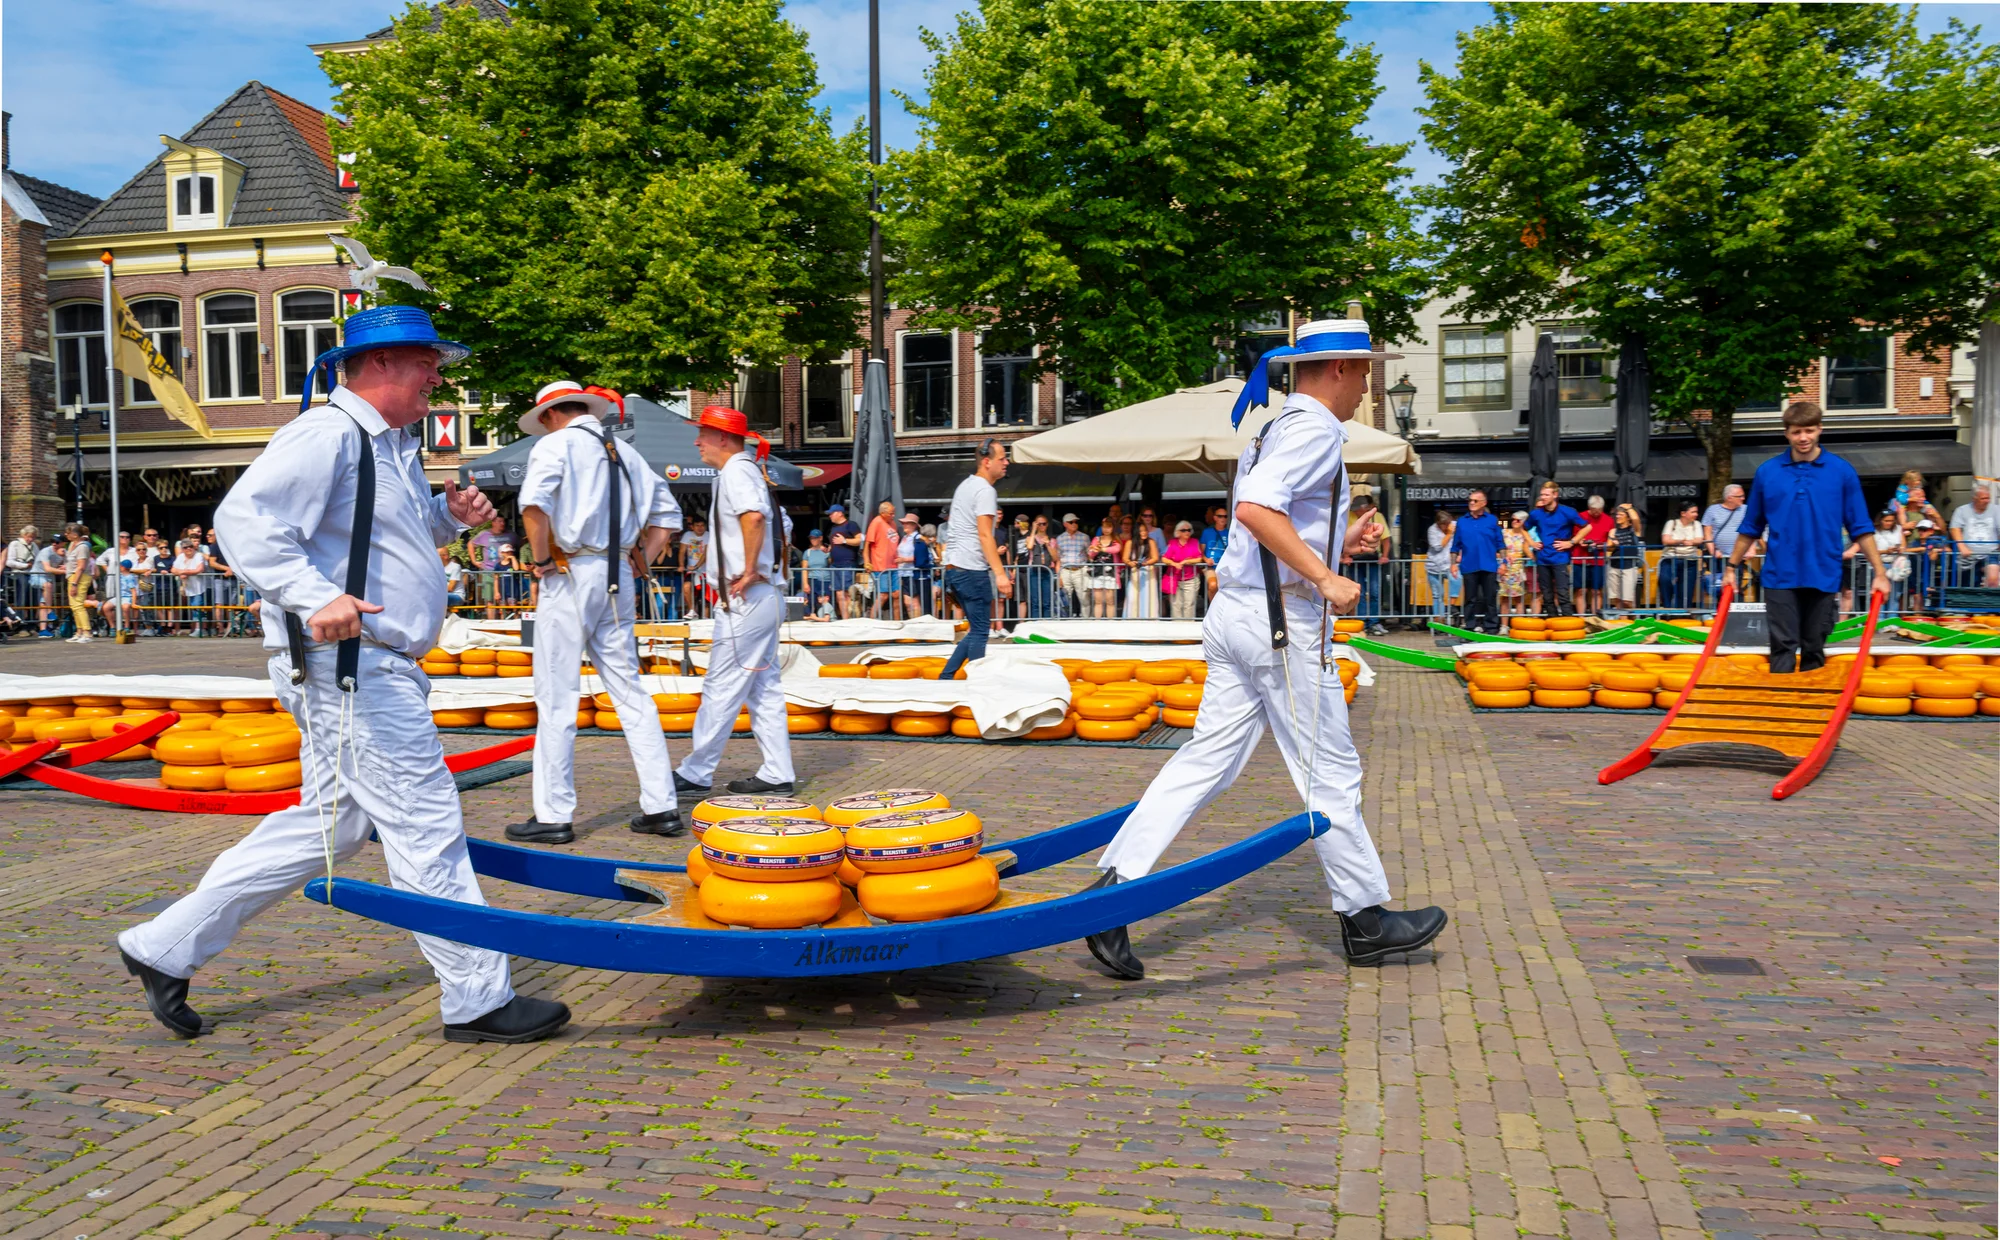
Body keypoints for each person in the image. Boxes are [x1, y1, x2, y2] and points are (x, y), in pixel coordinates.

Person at [117, 304, 567, 1044]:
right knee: (425, 822)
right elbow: (245, 520)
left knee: (330, 822)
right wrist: (313, 596)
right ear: (382, 363)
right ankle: (477, 996)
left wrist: (444, 518)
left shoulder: (387, 446)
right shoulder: (328, 434)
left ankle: (164, 945)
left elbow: (370, 537)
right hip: (354, 668)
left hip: (365, 666)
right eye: (427, 363)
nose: (437, 377)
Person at [1082, 315, 1446, 979]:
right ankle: (1365, 919)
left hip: (1240, 613)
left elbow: (1266, 518)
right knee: (1329, 770)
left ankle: (1112, 890)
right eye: (1365, 371)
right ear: (1339, 368)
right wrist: (1325, 576)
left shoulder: (1276, 424)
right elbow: (1255, 508)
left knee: (1209, 759)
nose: (1368, 385)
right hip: (1282, 624)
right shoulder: (1315, 429)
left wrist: (1337, 544)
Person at [510, 380, 683, 845]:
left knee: (557, 693)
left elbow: (533, 506)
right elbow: (667, 518)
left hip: (570, 571)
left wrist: (541, 560)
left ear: (550, 415)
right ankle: (661, 805)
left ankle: (553, 814)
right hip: (617, 572)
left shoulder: (555, 445)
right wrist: (640, 560)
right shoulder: (626, 453)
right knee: (629, 690)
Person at [675, 406, 796, 796]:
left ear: (723, 438)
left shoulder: (736, 472)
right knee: (763, 690)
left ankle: (696, 771)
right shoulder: (751, 471)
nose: (697, 442)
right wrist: (765, 565)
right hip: (761, 596)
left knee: (722, 685)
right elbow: (781, 524)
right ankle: (777, 772)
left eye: (703, 434)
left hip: (745, 599)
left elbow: (754, 518)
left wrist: (748, 569)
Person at [1728, 401, 1889, 673]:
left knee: (1814, 647)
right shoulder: (1767, 472)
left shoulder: (1841, 471)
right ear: (1786, 434)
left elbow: (1861, 526)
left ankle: (1811, 698)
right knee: (1782, 647)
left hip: (1823, 573)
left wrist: (1880, 573)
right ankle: (1782, 699)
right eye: (1796, 432)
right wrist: (1731, 567)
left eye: (1809, 431)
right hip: (1780, 575)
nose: (1803, 438)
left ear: (1819, 429)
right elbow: (1751, 526)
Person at [937, 440, 1012, 678]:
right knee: (980, 631)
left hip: (955, 567)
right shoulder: (985, 490)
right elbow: (985, 534)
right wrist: (1000, 574)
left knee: (976, 629)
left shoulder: (965, 485)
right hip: (971, 568)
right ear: (987, 462)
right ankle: (977, 684)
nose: (1007, 462)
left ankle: (946, 677)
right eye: (1002, 458)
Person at [1522, 484, 1584, 616]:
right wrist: (1532, 542)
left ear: (1555, 495)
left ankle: (1568, 622)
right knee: (1546, 594)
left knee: (1562, 593)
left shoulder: (1567, 511)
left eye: (1546, 495)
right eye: (1542, 495)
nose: (1543, 497)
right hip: (1542, 558)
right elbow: (1523, 529)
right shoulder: (1536, 513)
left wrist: (1571, 542)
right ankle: (1552, 619)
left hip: (1560, 557)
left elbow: (1587, 527)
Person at [1452, 490, 1503, 633]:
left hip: (1489, 565)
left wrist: (1504, 562)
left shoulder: (1491, 520)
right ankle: (1469, 626)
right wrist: (1453, 564)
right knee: (1470, 599)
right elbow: (1456, 545)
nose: (1472, 503)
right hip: (1469, 565)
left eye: (1475, 500)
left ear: (1484, 503)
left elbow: (1500, 542)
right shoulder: (1462, 521)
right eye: (1470, 500)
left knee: (1490, 598)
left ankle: (1491, 627)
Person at [1341, 495, 1388, 634]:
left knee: (1374, 592)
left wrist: (1384, 556)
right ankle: (1361, 622)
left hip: (1371, 559)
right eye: (1354, 509)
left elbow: (1386, 538)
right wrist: (1346, 555)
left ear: (1365, 509)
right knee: (1359, 592)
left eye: (1358, 509)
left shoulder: (1377, 517)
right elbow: (1343, 539)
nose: (1356, 512)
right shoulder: (1349, 516)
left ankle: (1373, 622)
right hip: (1355, 561)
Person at [1702, 484, 1749, 604]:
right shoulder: (1712, 510)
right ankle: (1722, 609)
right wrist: (1713, 550)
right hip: (1718, 557)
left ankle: (1735, 609)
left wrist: (1750, 548)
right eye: (1740, 496)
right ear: (1729, 498)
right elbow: (1707, 532)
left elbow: (1751, 531)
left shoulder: (1746, 510)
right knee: (1719, 585)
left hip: (1736, 556)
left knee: (1735, 584)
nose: (1743, 498)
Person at [1950, 485, 2000, 588]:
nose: (1986, 501)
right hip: (1968, 555)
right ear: (1974, 498)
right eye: (1983, 498)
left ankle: (1989, 598)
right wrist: (1962, 546)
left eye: (1988, 498)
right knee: (1967, 585)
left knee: (1993, 579)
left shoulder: (1996, 510)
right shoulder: (1962, 510)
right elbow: (1955, 528)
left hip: (1990, 552)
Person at [1570, 496, 1613, 615]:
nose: (1597, 513)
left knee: (1596, 591)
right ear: (1589, 507)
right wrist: (1581, 541)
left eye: (1599, 510)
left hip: (1598, 559)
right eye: (1594, 510)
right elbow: (1573, 536)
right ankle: (1581, 618)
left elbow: (1610, 540)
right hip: (1580, 558)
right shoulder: (1580, 517)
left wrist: (1601, 545)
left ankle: (1595, 617)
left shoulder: (1609, 520)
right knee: (1581, 590)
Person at [1658, 503, 1705, 610]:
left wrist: (1691, 542)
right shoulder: (1672, 523)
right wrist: (1680, 541)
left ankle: (1683, 611)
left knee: (1686, 588)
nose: (1696, 514)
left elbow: (1699, 539)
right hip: (1670, 558)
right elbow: (1665, 540)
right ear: (1683, 513)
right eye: (1693, 512)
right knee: (1665, 580)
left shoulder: (1696, 524)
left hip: (1689, 560)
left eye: (1696, 512)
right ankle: (1667, 609)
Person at [823, 502, 861, 618]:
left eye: (831, 513)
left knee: (847, 593)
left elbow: (859, 540)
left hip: (847, 563)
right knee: (839, 593)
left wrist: (844, 541)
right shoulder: (833, 528)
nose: (830, 516)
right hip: (835, 564)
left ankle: (850, 620)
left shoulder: (851, 524)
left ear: (839, 513)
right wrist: (829, 549)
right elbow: (835, 543)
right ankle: (845, 619)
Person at [864, 498, 901, 619]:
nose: (893, 516)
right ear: (882, 513)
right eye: (891, 513)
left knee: (896, 594)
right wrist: (867, 562)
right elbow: (867, 545)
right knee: (883, 595)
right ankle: (872, 619)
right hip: (880, 566)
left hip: (894, 565)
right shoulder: (876, 522)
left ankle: (897, 621)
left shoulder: (893, 523)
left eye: (894, 513)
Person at [1017, 513, 1057, 619]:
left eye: (1044, 524)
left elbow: (1055, 557)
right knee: (1035, 601)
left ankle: (1046, 624)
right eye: (1039, 524)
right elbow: (1029, 546)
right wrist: (1033, 529)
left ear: (1047, 524)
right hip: (1034, 571)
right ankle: (1036, 624)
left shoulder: (1052, 540)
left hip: (1047, 570)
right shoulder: (1030, 538)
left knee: (1047, 602)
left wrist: (1048, 544)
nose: (1042, 526)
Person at [1161, 520, 1204, 618]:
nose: (1187, 532)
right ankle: (1177, 626)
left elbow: (1199, 558)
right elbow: (1164, 558)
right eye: (1184, 530)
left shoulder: (1194, 542)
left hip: (1191, 579)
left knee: (1189, 604)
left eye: (1189, 530)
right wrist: (1174, 564)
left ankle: (1188, 625)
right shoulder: (1173, 543)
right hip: (1175, 578)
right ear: (1178, 532)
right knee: (1176, 605)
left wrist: (1185, 562)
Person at [1122, 511, 1161, 618]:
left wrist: (1146, 563)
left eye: (1145, 530)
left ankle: (1149, 617)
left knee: (1149, 596)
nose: (1144, 533)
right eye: (1141, 531)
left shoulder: (1151, 542)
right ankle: (1132, 617)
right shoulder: (1130, 543)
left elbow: (1155, 557)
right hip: (1135, 572)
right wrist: (1131, 563)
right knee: (1133, 596)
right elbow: (1125, 558)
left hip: (1148, 573)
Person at [1605, 503, 1644, 611]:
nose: (1617, 517)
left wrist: (1629, 508)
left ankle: (1633, 618)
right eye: (1617, 515)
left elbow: (1636, 519)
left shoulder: (1633, 530)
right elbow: (1608, 547)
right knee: (1616, 599)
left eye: (1621, 515)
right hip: (1614, 565)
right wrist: (1613, 544)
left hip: (1629, 566)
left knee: (1627, 600)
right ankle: (1621, 619)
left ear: (1627, 517)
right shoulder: (1613, 531)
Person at [899, 510, 936, 617]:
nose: (904, 525)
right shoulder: (904, 538)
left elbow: (920, 557)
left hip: (913, 573)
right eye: (903, 523)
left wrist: (904, 559)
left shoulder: (918, 539)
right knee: (907, 602)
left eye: (907, 523)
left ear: (914, 525)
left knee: (914, 602)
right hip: (904, 573)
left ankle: (919, 622)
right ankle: (914, 622)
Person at [63, 524, 96, 642]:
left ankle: (87, 633)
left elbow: (81, 566)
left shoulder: (82, 547)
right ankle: (79, 631)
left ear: (75, 535)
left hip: (80, 577)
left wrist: (74, 584)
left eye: (68, 533)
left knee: (78, 605)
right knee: (74, 606)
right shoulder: (71, 545)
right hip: (71, 575)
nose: (66, 535)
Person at [170, 538, 209, 635]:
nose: (188, 549)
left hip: (198, 587)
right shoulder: (180, 557)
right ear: (182, 549)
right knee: (193, 608)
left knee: (197, 607)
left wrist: (184, 572)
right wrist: (181, 573)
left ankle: (200, 629)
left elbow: (199, 569)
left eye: (190, 546)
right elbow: (173, 569)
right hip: (187, 588)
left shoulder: (198, 555)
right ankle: (196, 629)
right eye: (185, 547)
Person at [1055, 512, 1090, 617]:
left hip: (1080, 570)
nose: (1074, 524)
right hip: (1065, 570)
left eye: (1075, 522)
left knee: (1084, 598)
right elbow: (1058, 559)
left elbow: (1090, 554)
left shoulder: (1084, 537)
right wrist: (1059, 576)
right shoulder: (1059, 538)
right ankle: (1067, 621)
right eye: (1071, 522)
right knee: (1066, 599)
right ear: (1065, 524)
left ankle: (1087, 621)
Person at [1086, 515, 1122, 618]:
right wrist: (1094, 550)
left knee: (1110, 601)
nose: (1106, 529)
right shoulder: (1096, 539)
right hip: (1097, 573)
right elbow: (1090, 555)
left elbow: (1116, 549)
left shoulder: (1115, 540)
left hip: (1111, 574)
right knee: (1098, 601)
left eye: (1109, 526)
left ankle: (1110, 623)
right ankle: (1097, 622)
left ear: (1113, 528)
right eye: (1104, 526)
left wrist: (1102, 549)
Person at [1498, 510, 1532, 621]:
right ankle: (1504, 625)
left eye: (1518, 520)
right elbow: (1496, 549)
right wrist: (1504, 556)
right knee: (1504, 598)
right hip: (1505, 568)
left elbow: (1529, 549)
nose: (1514, 522)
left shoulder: (1526, 535)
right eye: (1513, 519)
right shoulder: (1504, 532)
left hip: (1518, 569)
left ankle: (1519, 623)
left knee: (1519, 598)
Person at [1424, 509, 1456, 622]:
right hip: (1434, 566)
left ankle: (1452, 605)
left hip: (1450, 565)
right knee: (1438, 594)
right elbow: (1437, 547)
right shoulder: (1432, 530)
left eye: (1448, 523)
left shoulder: (1454, 525)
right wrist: (1449, 534)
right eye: (1444, 524)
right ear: (1439, 524)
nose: (1447, 526)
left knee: (1457, 579)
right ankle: (1439, 619)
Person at [31, 537, 63, 635]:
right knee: (47, 585)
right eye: (52, 541)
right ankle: (49, 612)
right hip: (37, 576)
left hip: (49, 578)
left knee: (43, 603)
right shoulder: (46, 551)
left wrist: (65, 565)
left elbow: (69, 564)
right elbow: (47, 568)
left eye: (57, 542)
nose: (54, 543)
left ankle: (43, 629)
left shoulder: (64, 553)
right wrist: (65, 571)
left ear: (63, 543)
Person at [679, 515, 710, 618]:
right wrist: (681, 565)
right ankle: (692, 610)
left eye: (702, 525)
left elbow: (706, 554)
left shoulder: (708, 535)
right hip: (691, 571)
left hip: (706, 571)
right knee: (686, 587)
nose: (700, 528)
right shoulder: (687, 535)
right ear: (692, 526)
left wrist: (696, 566)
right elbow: (682, 551)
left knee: (705, 598)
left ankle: (706, 619)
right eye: (697, 525)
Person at [1200, 507, 1230, 603]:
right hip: (1211, 567)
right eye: (1220, 516)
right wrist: (1206, 559)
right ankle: (1213, 609)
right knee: (1213, 585)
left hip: (1225, 568)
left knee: (1226, 590)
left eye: (1225, 516)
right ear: (1215, 518)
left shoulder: (1230, 533)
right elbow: (1200, 551)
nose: (1223, 518)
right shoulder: (1207, 532)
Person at [803, 529, 834, 619]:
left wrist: (828, 553)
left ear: (820, 538)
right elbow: (804, 569)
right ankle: (812, 617)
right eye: (811, 538)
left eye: (815, 538)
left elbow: (831, 563)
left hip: (825, 579)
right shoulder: (807, 552)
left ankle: (825, 618)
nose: (813, 540)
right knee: (811, 601)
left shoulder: (826, 551)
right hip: (812, 579)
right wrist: (805, 583)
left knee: (825, 601)